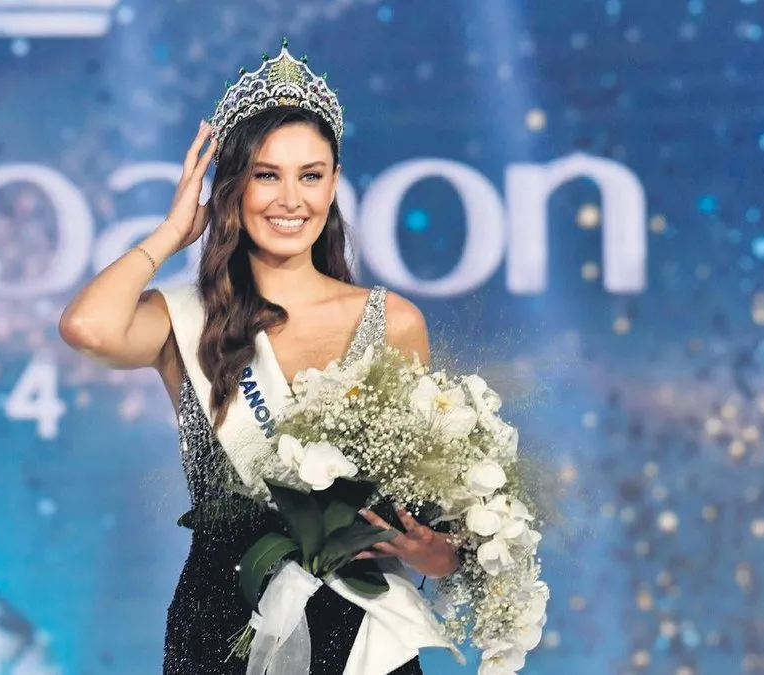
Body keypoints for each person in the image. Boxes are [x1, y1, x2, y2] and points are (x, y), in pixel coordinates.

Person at [59, 42, 461, 675]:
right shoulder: (186, 319)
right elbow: (87, 327)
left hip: (361, 633)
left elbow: (429, 509)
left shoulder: (392, 322)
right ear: (231, 187)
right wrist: (171, 233)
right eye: (266, 175)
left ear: (334, 183)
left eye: (311, 175)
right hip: (222, 624)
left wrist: (435, 554)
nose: (290, 199)